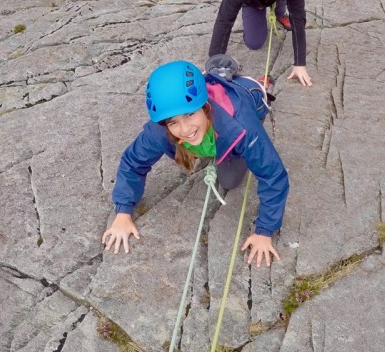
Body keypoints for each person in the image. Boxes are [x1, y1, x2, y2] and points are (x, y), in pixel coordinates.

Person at [102, 60, 289, 267]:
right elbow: (132, 162)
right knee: (215, 161)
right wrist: (123, 211)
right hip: (216, 123)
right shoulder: (159, 130)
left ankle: (261, 83)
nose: (184, 129)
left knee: (228, 180)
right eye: (173, 122)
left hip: (248, 95)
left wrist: (264, 232)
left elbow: (272, 174)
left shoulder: (241, 125)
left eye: (189, 114)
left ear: (205, 107)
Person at [209, 0, 312, 86]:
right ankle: (264, 10)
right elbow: (224, 20)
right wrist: (214, 64)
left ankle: (279, 13)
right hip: (253, 3)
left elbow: (298, 19)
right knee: (254, 43)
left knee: (279, 3)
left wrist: (300, 64)